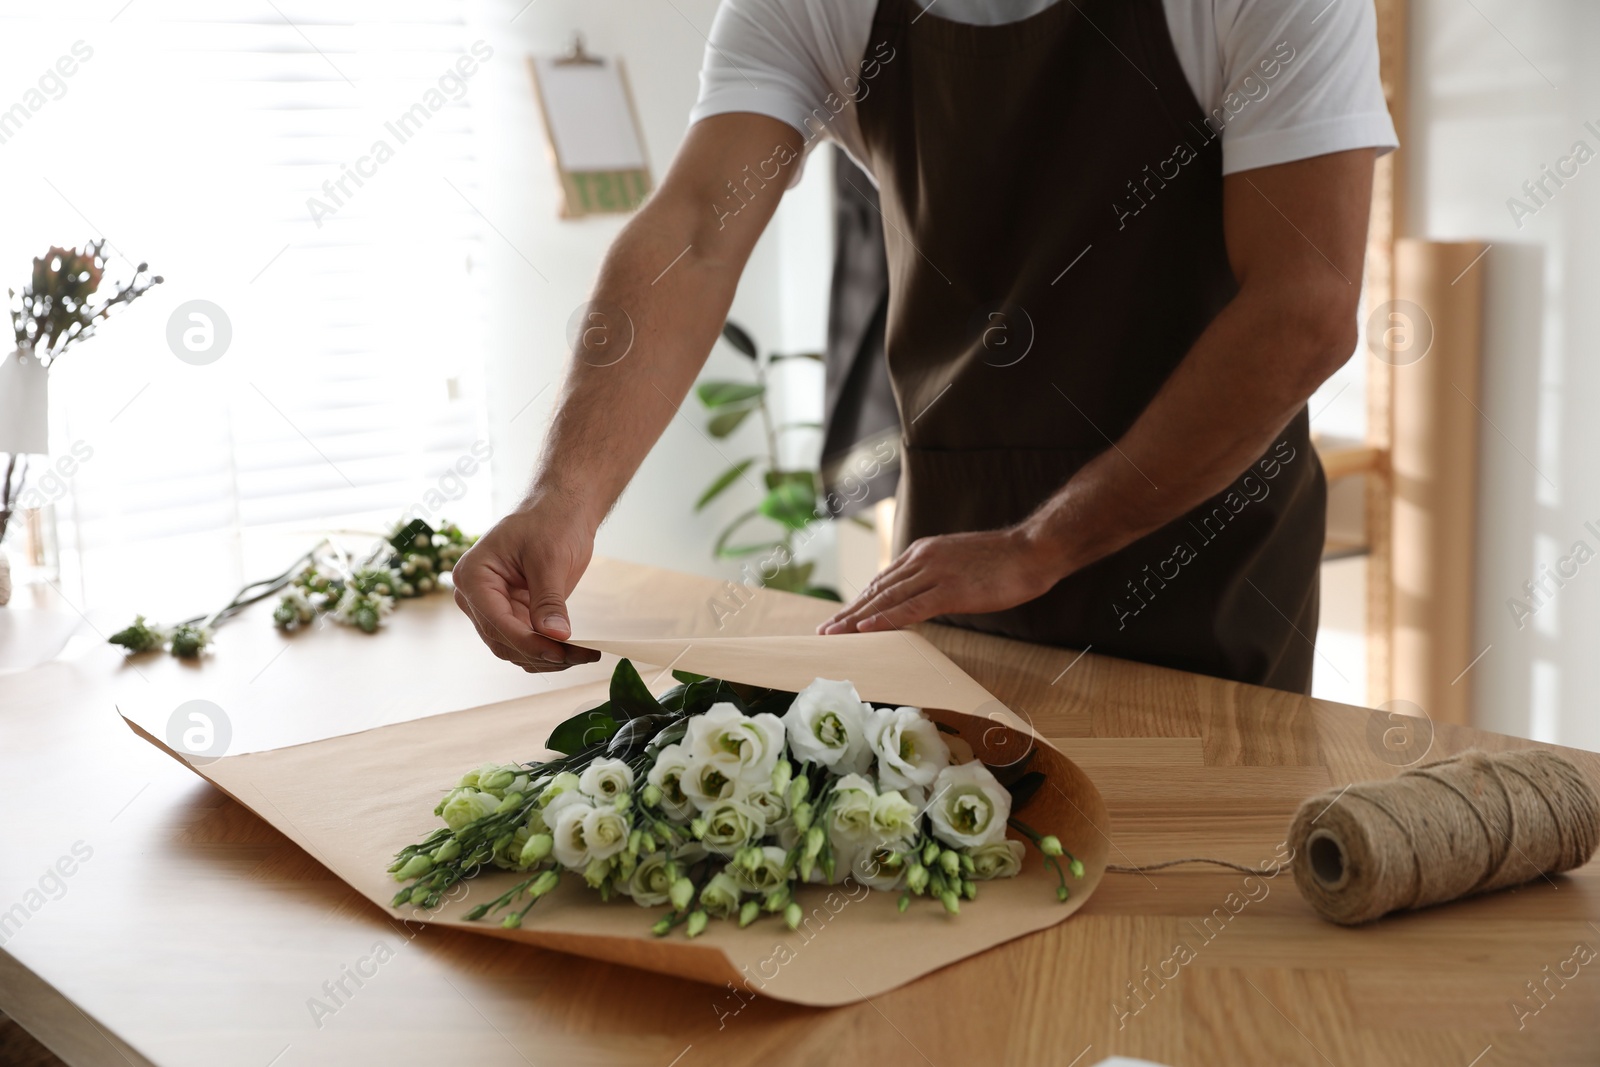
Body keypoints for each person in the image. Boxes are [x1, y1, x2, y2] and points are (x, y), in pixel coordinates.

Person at [452, 0, 1397, 693]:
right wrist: (562, 496)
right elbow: (696, 234)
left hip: (1204, 568)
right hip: (953, 561)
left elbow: (1305, 306)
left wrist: (1042, 544)